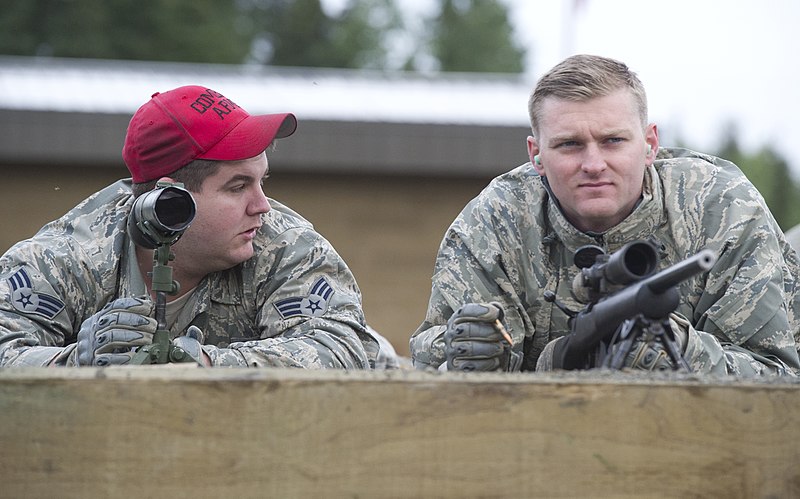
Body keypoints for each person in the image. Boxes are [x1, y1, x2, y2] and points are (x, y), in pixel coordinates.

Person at [410, 54, 800, 376]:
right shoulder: (495, 222)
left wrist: (683, 352)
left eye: (613, 140)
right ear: (536, 155)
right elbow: (429, 358)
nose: (593, 164)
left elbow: (780, 375)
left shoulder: (723, 209)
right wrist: (467, 352)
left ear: (649, 144)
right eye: (569, 145)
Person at [0, 85, 388, 369]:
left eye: (261, 181)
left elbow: (345, 350)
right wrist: (74, 363)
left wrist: (202, 363)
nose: (262, 206)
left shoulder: (284, 245)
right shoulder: (68, 257)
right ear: (172, 201)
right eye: (238, 186)